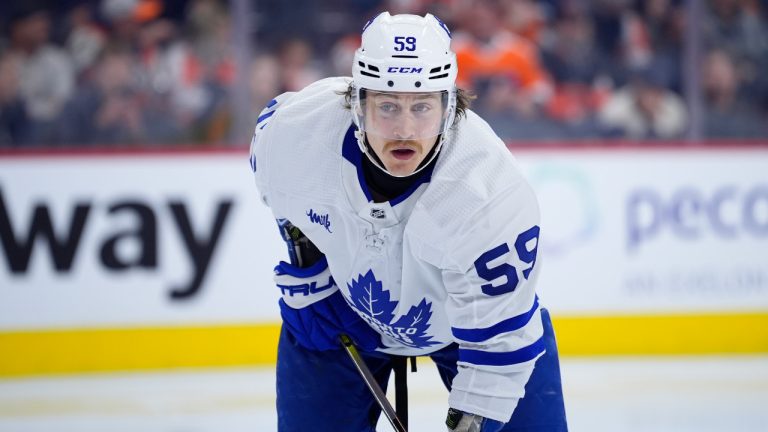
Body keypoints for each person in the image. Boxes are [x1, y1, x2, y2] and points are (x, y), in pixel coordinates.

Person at [249, 12, 567, 432]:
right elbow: (283, 195)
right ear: (357, 103)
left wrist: (469, 422)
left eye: (421, 107)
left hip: (469, 329)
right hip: (340, 313)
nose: (404, 129)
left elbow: (499, 342)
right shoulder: (296, 131)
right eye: (386, 106)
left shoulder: (486, 193)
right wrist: (309, 267)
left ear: (449, 106)